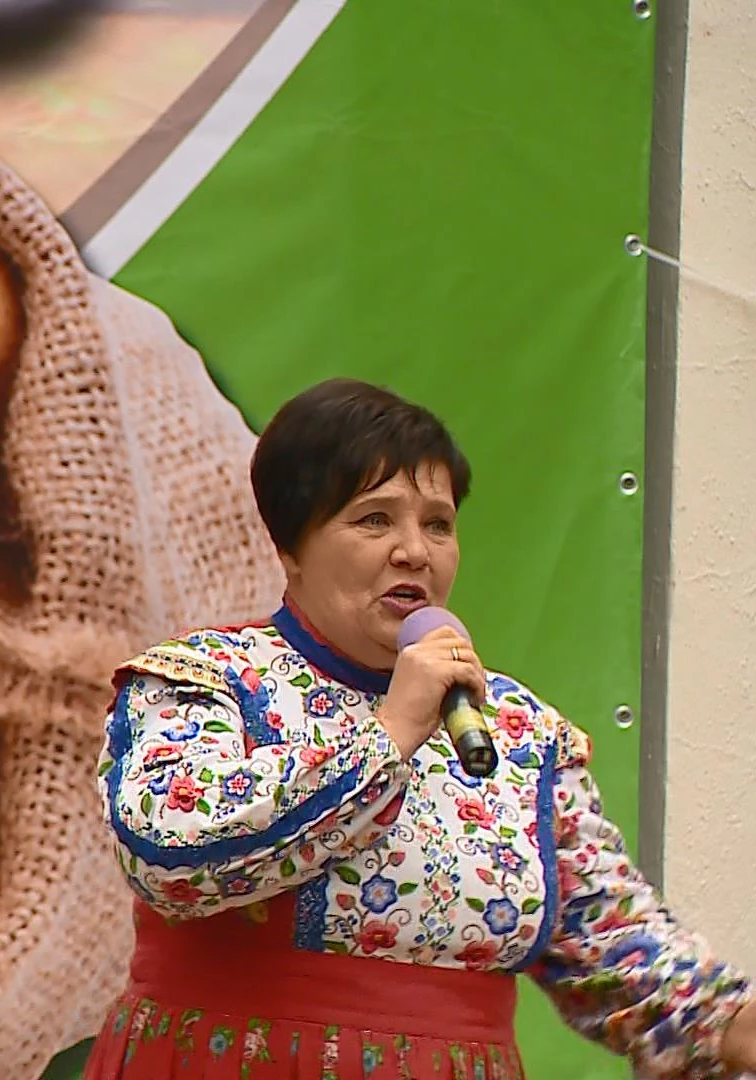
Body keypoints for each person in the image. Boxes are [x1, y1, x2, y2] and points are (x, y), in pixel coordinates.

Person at [86, 377, 756, 1078]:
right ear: (290, 546)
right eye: (375, 520)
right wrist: (392, 730)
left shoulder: (518, 730)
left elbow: (615, 944)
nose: (415, 551)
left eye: (437, 524)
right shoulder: (208, 681)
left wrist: (732, 1023)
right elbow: (168, 854)